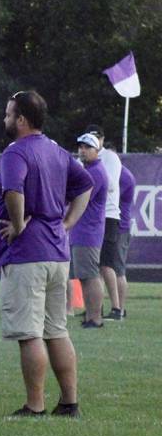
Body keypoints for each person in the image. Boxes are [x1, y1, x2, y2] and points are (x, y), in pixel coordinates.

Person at [0, 91, 92, 417]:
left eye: (8, 115)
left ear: (21, 119)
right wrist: (68, 223)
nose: (4, 120)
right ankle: (69, 402)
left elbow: (13, 189)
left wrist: (17, 225)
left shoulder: (15, 152)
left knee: (29, 333)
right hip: (57, 253)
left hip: (26, 253)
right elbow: (85, 184)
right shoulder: (57, 150)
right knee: (56, 330)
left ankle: (35, 405)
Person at [71, 134, 109, 329]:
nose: (82, 150)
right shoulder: (89, 170)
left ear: (96, 150)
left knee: (90, 275)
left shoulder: (94, 172)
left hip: (87, 232)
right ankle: (91, 316)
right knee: (85, 276)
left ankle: (95, 318)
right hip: (83, 231)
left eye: (87, 147)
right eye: (80, 147)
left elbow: (77, 197)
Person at [86, 126, 125, 319]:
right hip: (93, 217)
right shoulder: (85, 158)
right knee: (94, 265)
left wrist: (93, 171)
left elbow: (109, 185)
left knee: (107, 265)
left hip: (108, 215)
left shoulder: (109, 157)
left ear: (101, 139)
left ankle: (117, 308)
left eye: (95, 139)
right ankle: (95, 307)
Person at [107, 158, 135, 320]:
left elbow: (110, 196)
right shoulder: (120, 173)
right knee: (104, 268)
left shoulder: (122, 176)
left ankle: (120, 309)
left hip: (119, 227)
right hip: (114, 225)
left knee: (117, 269)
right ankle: (98, 307)